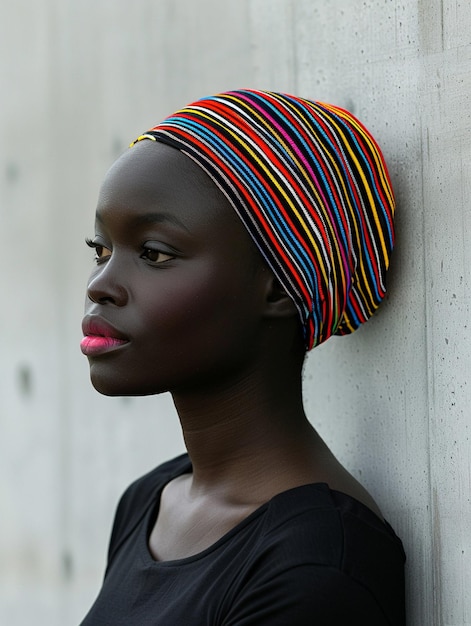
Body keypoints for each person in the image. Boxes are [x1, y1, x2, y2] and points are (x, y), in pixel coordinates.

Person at [79, 89, 405, 625]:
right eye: (101, 250)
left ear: (279, 285)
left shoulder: (315, 567)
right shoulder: (150, 501)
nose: (100, 285)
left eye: (154, 253)